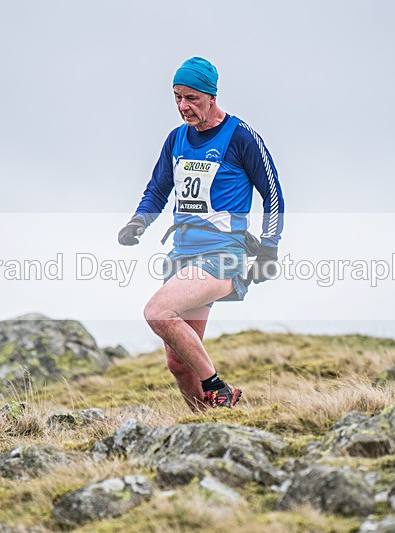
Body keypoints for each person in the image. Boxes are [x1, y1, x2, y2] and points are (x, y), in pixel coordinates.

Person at [118, 57, 284, 411]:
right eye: (177, 97)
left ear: (211, 96)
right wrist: (139, 222)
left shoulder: (240, 136)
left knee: (158, 311)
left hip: (224, 254)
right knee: (178, 362)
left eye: (191, 98)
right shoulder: (176, 139)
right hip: (182, 256)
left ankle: (218, 387)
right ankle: (207, 422)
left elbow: (272, 193)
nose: (183, 106)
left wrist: (269, 250)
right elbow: (157, 190)